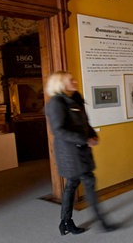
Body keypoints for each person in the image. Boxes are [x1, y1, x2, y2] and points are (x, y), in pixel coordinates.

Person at [44, 71, 116, 235]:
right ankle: (103, 222)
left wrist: (92, 135)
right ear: (61, 83)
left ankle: (65, 222)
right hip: (70, 153)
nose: (75, 81)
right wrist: (85, 139)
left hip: (80, 149)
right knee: (89, 182)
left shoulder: (76, 97)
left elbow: (85, 122)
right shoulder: (56, 102)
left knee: (72, 184)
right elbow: (59, 131)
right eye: (71, 80)